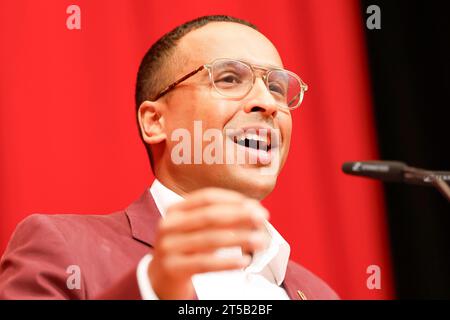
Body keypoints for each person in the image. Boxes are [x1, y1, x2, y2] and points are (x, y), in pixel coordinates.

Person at [0, 15, 339, 300]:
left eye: (277, 87)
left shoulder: (318, 293)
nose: (267, 103)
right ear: (155, 121)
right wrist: (152, 287)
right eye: (230, 79)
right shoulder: (64, 248)